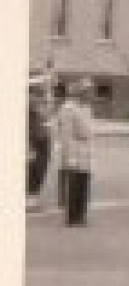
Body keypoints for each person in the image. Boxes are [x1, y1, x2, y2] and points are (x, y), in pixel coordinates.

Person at [56, 79, 94, 227]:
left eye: (89, 91)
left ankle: (81, 215)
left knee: (84, 183)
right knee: (74, 184)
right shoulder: (68, 109)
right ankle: (72, 217)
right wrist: (69, 156)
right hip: (75, 148)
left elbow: (89, 128)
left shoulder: (86, 108)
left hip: (85, 148)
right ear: (79, 92)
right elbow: (66, 134)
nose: (89, 94)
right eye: (86, 91)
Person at [26, 75, 52, 213]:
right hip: (34, 140)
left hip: (43, 139)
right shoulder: (30, 104)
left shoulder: (38, 104)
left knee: (41, 168)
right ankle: (29, 199)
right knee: (34, 169)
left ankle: (33, 199)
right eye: (37, 90)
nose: (39, 93)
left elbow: (47, 115)